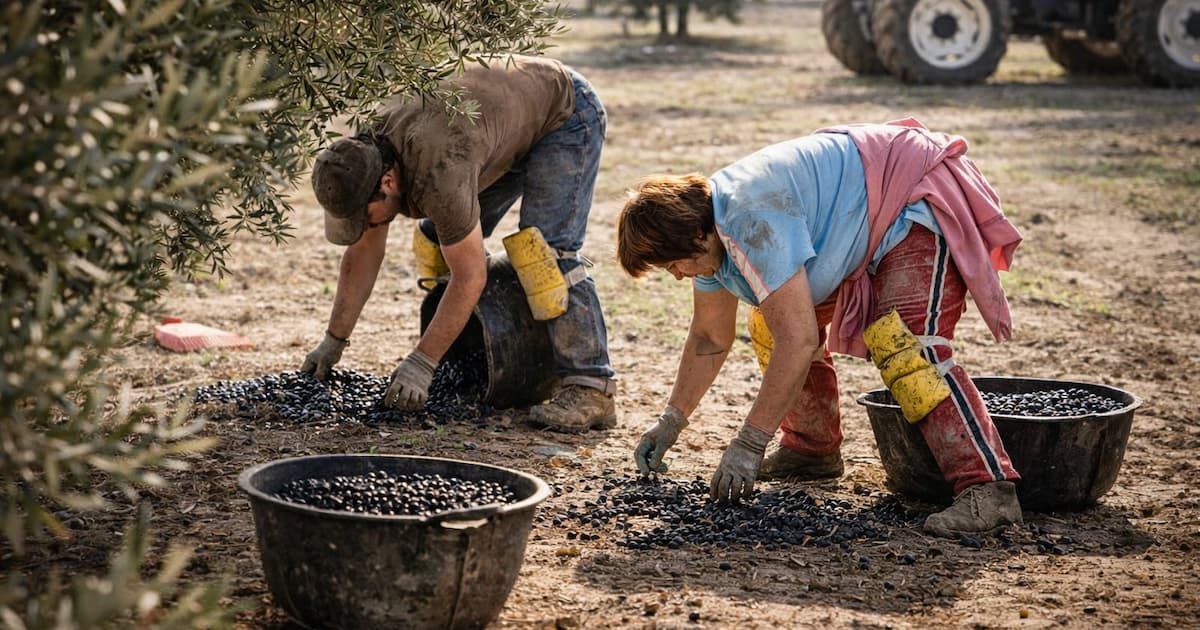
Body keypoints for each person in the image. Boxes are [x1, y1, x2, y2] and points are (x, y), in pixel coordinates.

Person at [617, 118, 1025, 538]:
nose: (678, 277)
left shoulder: (748, 221)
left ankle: (987, 488)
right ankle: (811, 450)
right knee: (770, 324)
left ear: (697, 238)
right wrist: (671, 422)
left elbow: (799, 340)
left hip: (910, 197)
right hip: (862, 220)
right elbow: (709, 336)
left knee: (906, 347)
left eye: (672, 265)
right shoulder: (710, 241)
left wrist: (749, 443)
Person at [300, 54, 618, 433]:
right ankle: (472, 345)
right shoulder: (366, 156)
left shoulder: (440, 170)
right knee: (439, 238)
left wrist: (422, 363)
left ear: (386, 183)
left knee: (547, 252)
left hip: (561, 114)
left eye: (363, 217)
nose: (365, 227)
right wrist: (334, 341)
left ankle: (591, 386)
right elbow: (364, 250)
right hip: (495, 129)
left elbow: (470, 275)